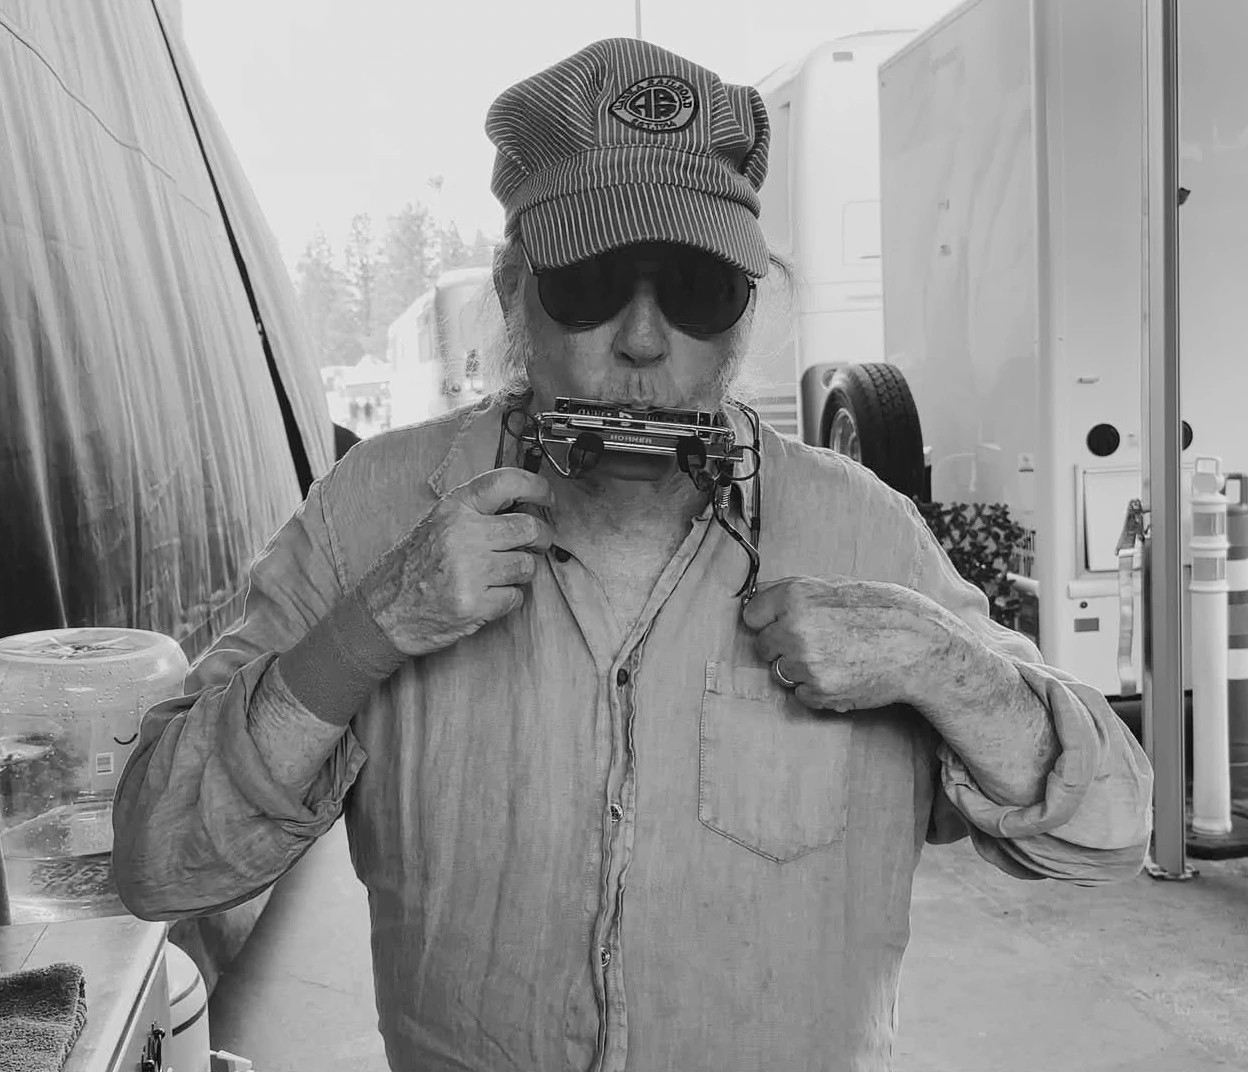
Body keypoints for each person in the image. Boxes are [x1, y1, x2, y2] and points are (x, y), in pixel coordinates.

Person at [113, 38, 1152, 1072]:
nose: (645, 342)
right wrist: (367, 630)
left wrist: (935, 659)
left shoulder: (865, 533)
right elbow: (160, 858)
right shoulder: (378, 510)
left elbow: (1106, 826)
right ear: (516, 288)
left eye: (699, 290)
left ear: (746, 307)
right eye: (594, 281)